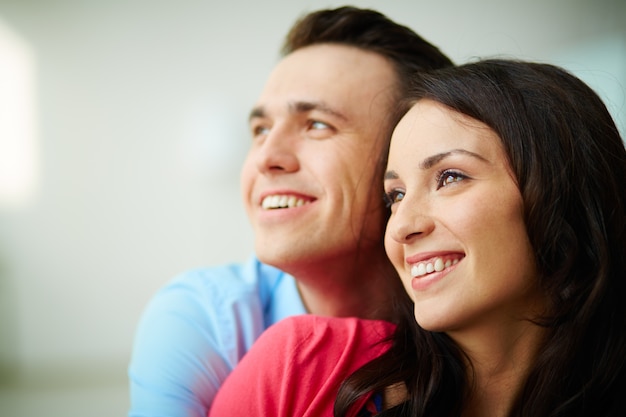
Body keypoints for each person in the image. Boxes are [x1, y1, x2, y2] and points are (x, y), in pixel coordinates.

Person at [208, 59, 626, 417]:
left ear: (561, 197)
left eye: (450, 177)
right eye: (396, 196)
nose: (403, 226)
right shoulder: (301, 366)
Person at [128, 6, 453, 417]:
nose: (267, 157)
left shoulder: (472, 320)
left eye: (317, 124)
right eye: (261, 130)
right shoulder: (199, 320)